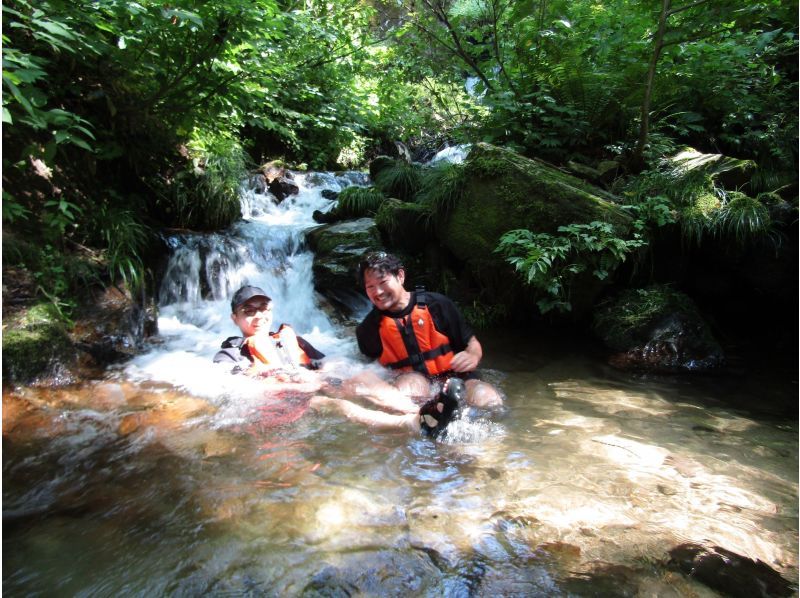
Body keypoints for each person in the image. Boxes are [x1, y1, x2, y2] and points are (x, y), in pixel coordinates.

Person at [215, 284, 461, 436]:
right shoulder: (231, 353)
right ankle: (414, 424)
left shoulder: (290, 339)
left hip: (311, 387)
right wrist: (299, 385)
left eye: (263, 308)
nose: (258, 316)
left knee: (363, 378)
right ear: (234, 318)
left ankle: (428, 409)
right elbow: (238, 390)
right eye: (248, 311)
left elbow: (326, 362)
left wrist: (330, 373)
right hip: (282, 404)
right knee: (332, 405)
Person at [351, 251, 503, 411]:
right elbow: (372, 368)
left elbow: (471, 342)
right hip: (411, 382)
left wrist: (473, 355)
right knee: (410, 386)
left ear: (400, 276)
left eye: (383, 282)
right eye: (371, 287)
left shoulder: (437, 305)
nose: (378, 292)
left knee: (485, 396)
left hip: (457, 377)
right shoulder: (368, 329)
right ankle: (421, 421)